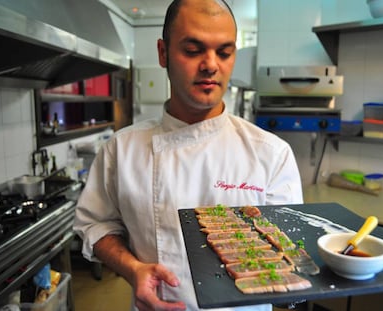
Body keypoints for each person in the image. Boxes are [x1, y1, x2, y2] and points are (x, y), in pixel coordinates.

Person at [73, 0, 303, 310]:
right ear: (163, 53)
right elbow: (96, 225)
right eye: (193, 50)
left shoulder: (271, 154)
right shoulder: (121, 150)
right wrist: (133, 269)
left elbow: (289, 253)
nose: (210, 65)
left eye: (224, 52)